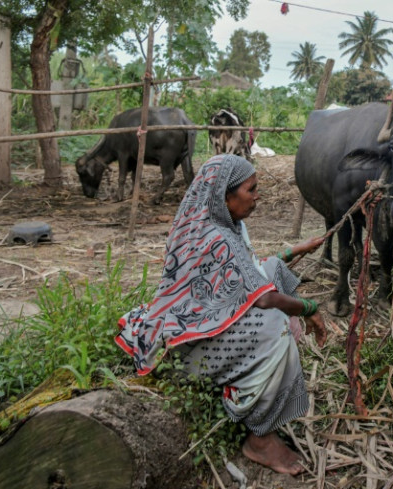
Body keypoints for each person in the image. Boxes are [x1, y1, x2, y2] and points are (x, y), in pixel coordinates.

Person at [115, 154, 328, 475]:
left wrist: (293, 251)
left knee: (273, 269)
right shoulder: (218, 238)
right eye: (251, 190)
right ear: (225, 196)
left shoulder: (207, 223)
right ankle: (259, 438)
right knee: (275, 326)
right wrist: (311, 309)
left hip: (187, 329)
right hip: (182, 355)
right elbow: (266, 299)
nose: (258, 196)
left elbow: (250, 271)